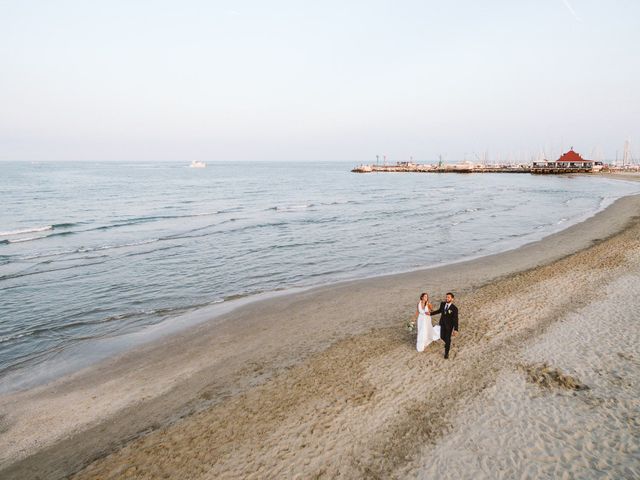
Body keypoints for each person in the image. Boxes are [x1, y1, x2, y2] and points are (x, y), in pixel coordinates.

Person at [429, 292, 459, 359]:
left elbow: (456, 319)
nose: (446, 298)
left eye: (448, 297)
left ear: (452, 299)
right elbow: (439, 311)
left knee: (448, 339)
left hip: (449, 326)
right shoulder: (442, 304)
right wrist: (430, 313)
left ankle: (446, 353)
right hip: (442, 324)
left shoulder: (454, 308)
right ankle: (447, 344)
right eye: (446, 297)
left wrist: (456, 329)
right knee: (442, 336)